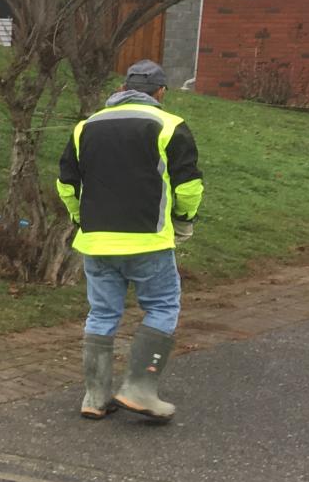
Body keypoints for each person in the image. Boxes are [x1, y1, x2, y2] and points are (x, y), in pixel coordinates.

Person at [59, 60, 204, 421]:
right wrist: (184, 221)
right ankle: (139, 389)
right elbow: (188, 187)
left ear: (122, 90)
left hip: (96, 242)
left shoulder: (85, 128)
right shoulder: (169, 126)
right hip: (147, 241)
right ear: (160, 93)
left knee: (103, 312)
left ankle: (94, 397)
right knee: (163, 306)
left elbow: (66, 185)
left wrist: (81, 219)